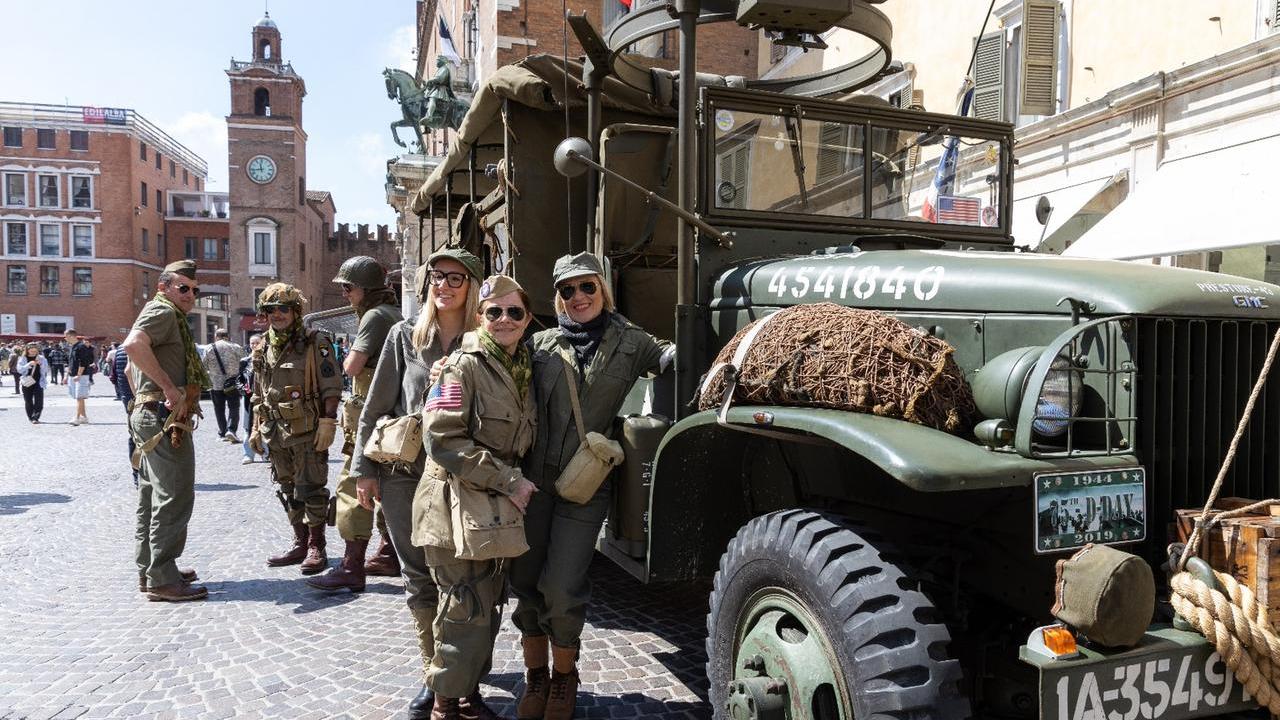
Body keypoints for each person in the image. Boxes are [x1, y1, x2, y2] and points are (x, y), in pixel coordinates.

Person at [510, 252, 674, 720]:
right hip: (533, 483)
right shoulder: (539, 344)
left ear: (603, 288)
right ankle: (536, 675)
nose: (579, 297)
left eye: (587, 286)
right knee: (524, 581)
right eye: (568, 290)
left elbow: (673, 357)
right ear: (557, 297)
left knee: (563, 587)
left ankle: (564, 677)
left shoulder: (632, 342)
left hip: (585, 485)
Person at [345, 249, 482, 718]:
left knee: (465, 580)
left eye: (456, 278)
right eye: (437, 277)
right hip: (405, 476)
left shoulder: (485, 336)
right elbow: (376, 404)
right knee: (419, 577)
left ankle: (465, 679)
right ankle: (435, 676)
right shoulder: (405, 335)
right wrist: (363, 470)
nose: (443, 285)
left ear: (472, 286)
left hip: (463, 478)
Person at [415, 274, 538, 720]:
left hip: (491, 511)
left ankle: (467, 697)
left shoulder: (523, 366)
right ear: (480, 317)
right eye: (494, 312)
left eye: (514, 312)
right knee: (463, 607)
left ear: (528, 319)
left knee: (486, 605)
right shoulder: (461, 366)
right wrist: (509, 480)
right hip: (453, 504)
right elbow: (442, 439)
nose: (504, 320)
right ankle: (445, 705)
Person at [308, 256, 404, 592]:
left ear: (366, 288)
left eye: (348, 287)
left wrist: (346, 354)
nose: (345, 293)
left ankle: (351, 566)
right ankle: (388, 553)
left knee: (353, 485)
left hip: (371, 416)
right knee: (389, 486)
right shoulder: (392, 313)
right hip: (391, 417)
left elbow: (351, 366)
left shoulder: (375, 316)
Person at [121, 259, 210, 602]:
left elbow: (129, 369)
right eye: (182, 287)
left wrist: (145, 399)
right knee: (175, 494)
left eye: (195, 290)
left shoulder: (164, 313)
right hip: (163, 417)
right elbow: (133, 347)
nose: (190, 295)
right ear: (164, 287)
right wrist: (169, 390)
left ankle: (151, 570)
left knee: (151, 494)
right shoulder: (163, 311)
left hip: (151, 413)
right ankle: (161, 576)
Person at [248, 283, 343, 575]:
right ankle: (299, 541)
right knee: (287, 487)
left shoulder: (315, 342)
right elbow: (258, 393)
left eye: (283, 309)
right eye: (270, 310)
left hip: (307, 429)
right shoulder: (263, 347)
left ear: (296, 311)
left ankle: (316, 545)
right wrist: (255, 428)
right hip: (275, 431)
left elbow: (331, 386)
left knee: (311, 487)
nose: (277, 314)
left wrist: (328, 421)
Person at [202, 328, 245, 442]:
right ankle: (231, 430)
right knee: (234, 407)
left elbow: (204, 366)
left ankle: (222, 432)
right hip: (232, 383)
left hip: (215, 384)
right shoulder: (236, 347)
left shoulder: (209, 348)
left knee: (219, 409)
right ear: (228, 336)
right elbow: (244, 362)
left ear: (216, 336)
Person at [111, 342, 139, 485]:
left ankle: (136, 473)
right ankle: (140, 474)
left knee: (134, 434)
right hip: (140, 397)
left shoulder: (120, 349)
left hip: (127, 398)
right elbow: (128, 371)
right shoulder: (139, 344)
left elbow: (113, 376)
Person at [240, 334, 266, 465]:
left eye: (257, 343)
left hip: (264, 399)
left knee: (266, 425)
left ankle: (266, 453)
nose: (254, 345)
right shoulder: (245, 361)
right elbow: (238, 380)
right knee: (248, 426)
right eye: (252, 343)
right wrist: (243, 388)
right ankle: (248, 454)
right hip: (248, 400)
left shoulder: (267, 360)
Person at [67, 329, 96, 425]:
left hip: (81, 375)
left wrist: (78, 375)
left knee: (79, 397)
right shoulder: (72, 347)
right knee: (79, 397)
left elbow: (83, 362)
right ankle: (84, 417)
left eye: (66, 336)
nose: (65, 338)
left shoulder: (81, 347)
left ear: (71, 336)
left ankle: (77, 418)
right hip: (74, 375)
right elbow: (71, 362)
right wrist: (67, 376)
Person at [17, 342, 50, 423]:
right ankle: (30, 417)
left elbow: (46, 369)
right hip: (27, 381)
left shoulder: (41, 358)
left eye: (35, 351)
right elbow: (19, 370)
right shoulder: (23, 358)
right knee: (28, 400)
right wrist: (28, 364)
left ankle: (36, 417)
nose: (33, 352)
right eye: (31, 350)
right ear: (27, 350)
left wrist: (41, 364)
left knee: (39, 400)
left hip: (39, 382)